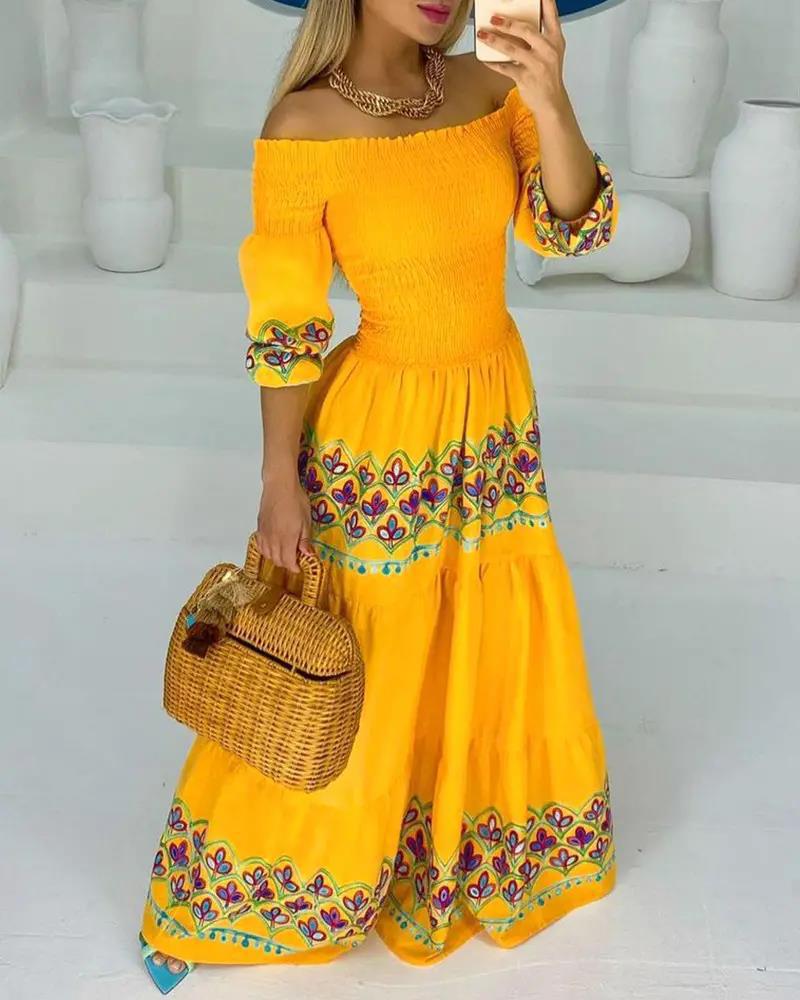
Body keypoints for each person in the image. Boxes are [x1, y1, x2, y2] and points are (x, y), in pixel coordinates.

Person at [138, 0, 619, 990]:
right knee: (368, 655)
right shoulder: (304, 125)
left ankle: (447, 839)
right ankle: (259, 886)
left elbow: (575, 228)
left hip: (492, 419)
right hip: (380, 433)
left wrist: (550, 96)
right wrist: (278, 480)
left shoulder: (488, 89)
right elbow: (285, 326)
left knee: (483, 635)